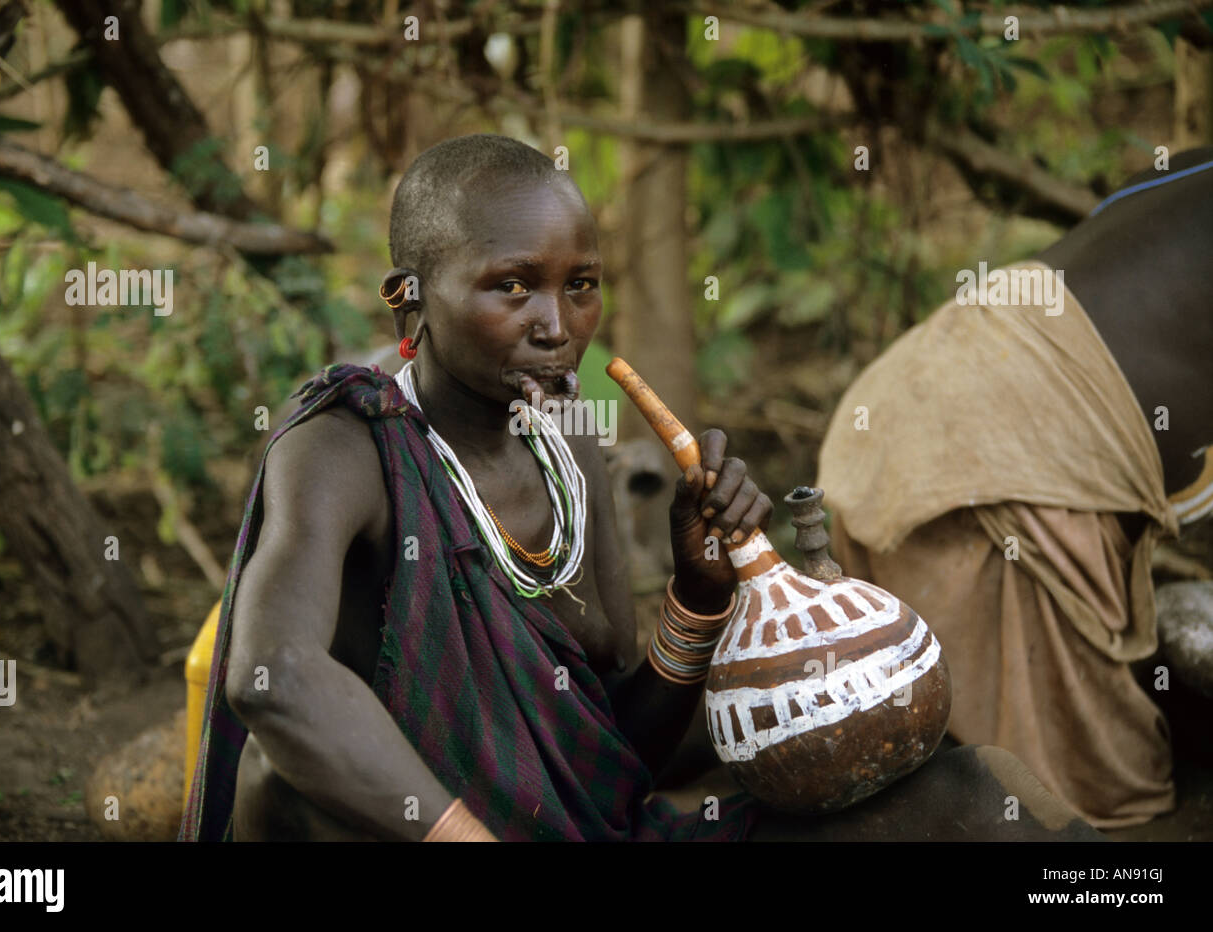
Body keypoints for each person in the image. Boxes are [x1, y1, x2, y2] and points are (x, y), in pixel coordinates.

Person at [181, 134, 1099, 842]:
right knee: (279, 782)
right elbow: (275, 676)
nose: (557, 326)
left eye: (579, 285)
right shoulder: (347, 446)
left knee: (965, 796)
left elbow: (613, 754)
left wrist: (699, 596)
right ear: (409, 300)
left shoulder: (572, 455)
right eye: (513, 288)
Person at [818, 149, 1213, 829]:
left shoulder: (1186, 170)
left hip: (909, 395)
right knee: (1065, 804)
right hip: (998, 450)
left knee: (893, 723)